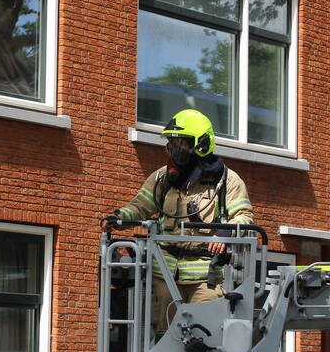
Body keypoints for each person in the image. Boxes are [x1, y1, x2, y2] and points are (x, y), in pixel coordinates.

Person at [103, 108, 254, 334]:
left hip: (205, 277)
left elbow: (244, 217)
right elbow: (140, 207)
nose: (174, 148)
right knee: (164, 336)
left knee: (205, 333)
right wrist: (119, 217)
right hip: (164, 274)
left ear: (201, 144)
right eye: (171, 142)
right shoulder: (162, 178)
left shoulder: (227, 181)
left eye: (181, 142)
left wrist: (224, 235)